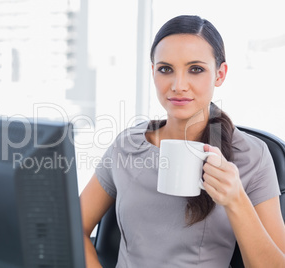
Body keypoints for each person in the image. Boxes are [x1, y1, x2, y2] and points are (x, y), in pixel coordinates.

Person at [80, 15, 285, 267]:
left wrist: (236, 200)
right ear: (153, 72)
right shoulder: (127, 147)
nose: (178, 85)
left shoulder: (252, 155)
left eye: (196, 69)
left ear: (220, 75)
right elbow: (74, 228)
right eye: (166, 69)